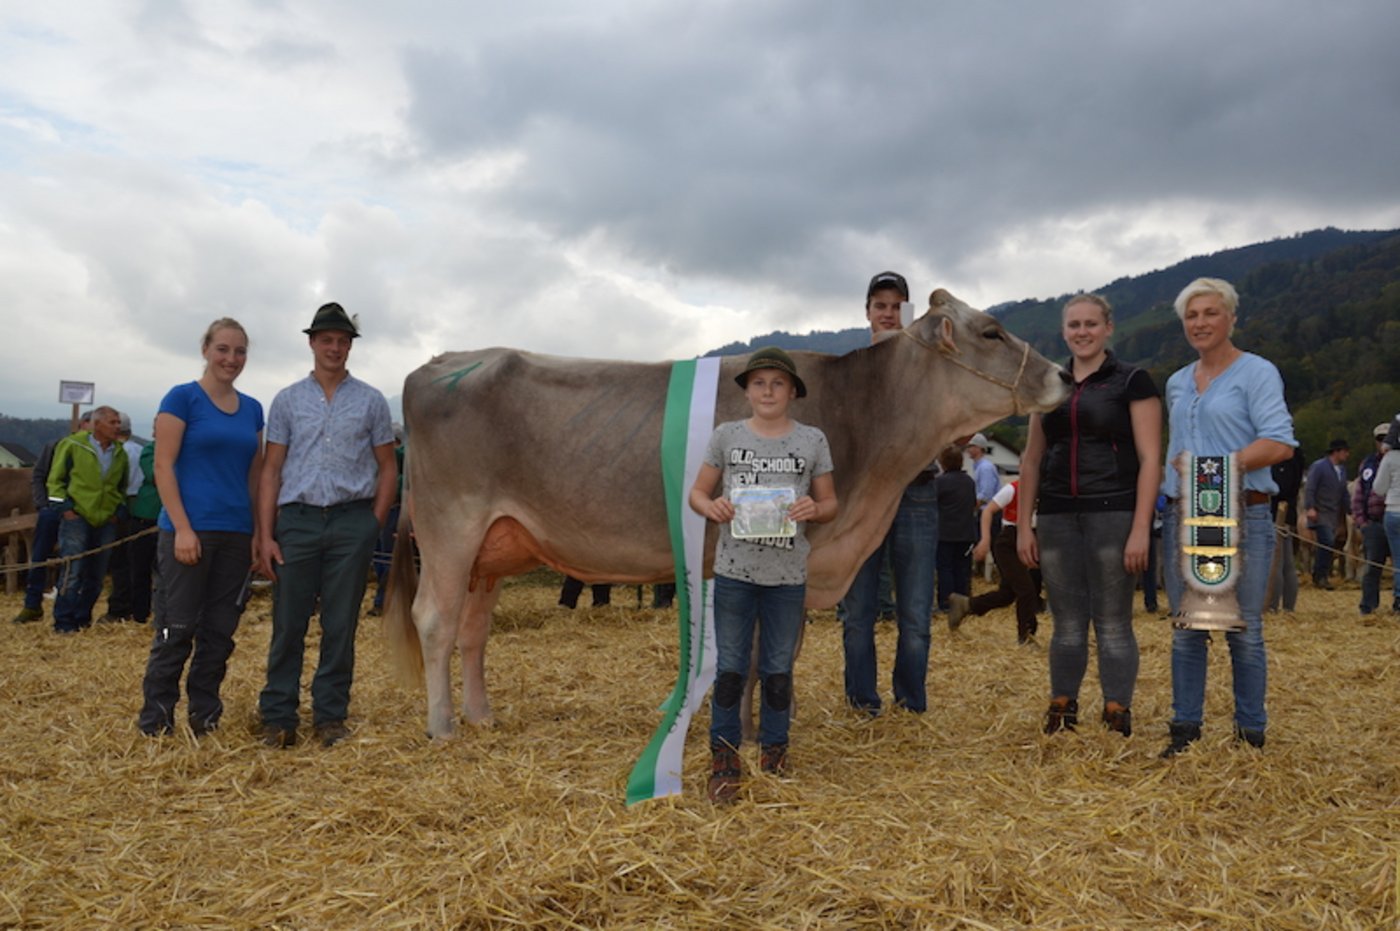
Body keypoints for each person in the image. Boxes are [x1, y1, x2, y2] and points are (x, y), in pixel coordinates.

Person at [689, 347, 836, 802]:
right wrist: (711, 506)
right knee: (731, 668)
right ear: (747, 391)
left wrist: (817, 507)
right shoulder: (727, 435)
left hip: (787, 577)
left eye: (777, 383)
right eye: (759, 383)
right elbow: (697, 492)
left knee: (777, 670)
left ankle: (775, 751)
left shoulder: (812, 440)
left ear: (793, 391)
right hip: (734, 572)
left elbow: (831, 503)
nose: (768, 391)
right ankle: (724, 755)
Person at [1159, 278, 1296, 757]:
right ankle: (1185, 730)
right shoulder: (1177, 381)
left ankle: (1250, 734)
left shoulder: (1257, 373)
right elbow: (1174, 452)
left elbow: (1279, 443)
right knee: (1187, 628)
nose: (1200, 323)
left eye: (1210, 313)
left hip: (1244, 513)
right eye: (1192, 315)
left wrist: (1215, 466)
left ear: (1232, 318)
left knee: (1245, 629)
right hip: (1184, 518)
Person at [1016, 293, 1162, 737]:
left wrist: (1141, 528)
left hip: (1113, 512)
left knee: (1114, 620)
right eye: (1074, 325)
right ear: (1064, 331)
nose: (1082, 332)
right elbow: (1031, 459)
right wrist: (1025, 524)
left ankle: (1117, 709)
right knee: (1066, 622)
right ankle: (1063, 704)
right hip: (1058, 515)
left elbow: (1151, 458)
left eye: (1090, 324)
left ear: (1108, 328)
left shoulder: (1133, 381)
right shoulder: (1049, 383)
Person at [255, 302, 397, 749]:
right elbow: (271, 470)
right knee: (288, 623)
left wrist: (370, 526)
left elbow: (388, 468)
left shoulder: (372, 401)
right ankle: (279, 717)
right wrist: (265, 534)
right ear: (312, 343)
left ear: (350, 347)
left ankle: (330, 717)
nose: (335, 348)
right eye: (327, 340)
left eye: (343, 341)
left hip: (351, 519)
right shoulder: (287, 400)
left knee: (340, 625)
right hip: (296, 520)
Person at [138, 319, 265, 736]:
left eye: (240, 351)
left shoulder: (252, 409)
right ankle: (156, 719)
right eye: (223, 349)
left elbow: (254, 475)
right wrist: (183, 528)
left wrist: (255, 532)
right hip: (188, 531)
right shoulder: (182, 399)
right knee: (177, 628)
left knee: (220, 632)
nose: (232, 359)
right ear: (206, 350)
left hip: (234, 533)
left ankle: (204, 716)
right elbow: (163, 465)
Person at [840, 271, 939, 715]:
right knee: (858, 611)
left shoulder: (931, 367)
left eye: (897, 305)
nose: (888, 312)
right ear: (867, 313)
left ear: (909, 313)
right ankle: (863, 701)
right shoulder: (851, 366)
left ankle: (911, 703)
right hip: (862, 497)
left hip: (917, 492)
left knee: (916, 612)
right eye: (880, 305)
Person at [47, 406, 129, 633]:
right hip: (77, 516)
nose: (117, 426)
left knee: (97, 573)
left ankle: (83, 618)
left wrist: (117, 511)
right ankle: (64, 622)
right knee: (72, 570)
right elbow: (55, 480)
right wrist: (65, 509)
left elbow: (121, 486)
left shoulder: (120, 453)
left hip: (106, 520)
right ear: (97, 423)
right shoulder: (73, 445)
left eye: (118, 422)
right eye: (112, 422)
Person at [11, 414, 88, 625]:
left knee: (73, 562)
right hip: (53, 511)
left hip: (80, 513)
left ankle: (67, 611)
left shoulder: (97, 453)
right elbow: (39, 475)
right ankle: (32, 604)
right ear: (82, 425)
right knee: (39, 556)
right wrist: (43, 505)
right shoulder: (56, 446)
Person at [948, 479, 1043, 643]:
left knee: (1007, 594)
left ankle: (966, 605)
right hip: (1008, 543)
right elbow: (988, 511)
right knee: (1025, 589)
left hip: (1031, 539)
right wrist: (985, 539)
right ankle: (1026, 636)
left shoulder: (1046, 490)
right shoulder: (1013, 489)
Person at [101, 413, 147, 622]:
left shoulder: (119, 453)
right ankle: (136, 608)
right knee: (136, 563)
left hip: (120, 507)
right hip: (139, 508)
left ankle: (119, 607)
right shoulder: (140, 450)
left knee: (120, 562)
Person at [1353, 423, 1393, 616]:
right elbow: (1359, 494)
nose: (1383, 443)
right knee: (1371, 568)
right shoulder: (1368, 464)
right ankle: (1368, 606)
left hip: (1395, 519)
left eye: (1387, 438)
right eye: (1380, 439)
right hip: (1375, 522)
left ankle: (1398, 605)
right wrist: (1362, 522)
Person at [933, 445, 977, 612]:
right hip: (966, 533)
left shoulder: (940, 482)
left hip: (945, 533)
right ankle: (963, 601)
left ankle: (946, 602)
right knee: (962, 569)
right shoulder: (969, 482)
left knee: (945, 569)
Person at [1303, 439, 1350, 590]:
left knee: (1328, 544)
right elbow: (1310, 487)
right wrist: (1310, 507)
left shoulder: (1342, 471)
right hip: (1320, 511)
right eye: (1345, 451)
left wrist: (1351, 510)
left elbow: (1344, 493)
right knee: (1327, 542)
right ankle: (1320, 576)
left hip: (1333, 514)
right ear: (1336, 452)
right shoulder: (1319, 467)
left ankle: (1321, 574)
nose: (1347, 455)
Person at [1267, 447, 1305, 613]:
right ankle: (1286, 607)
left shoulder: (1286, 454)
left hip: (1278, 514)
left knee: (1278, 563)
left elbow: (1281, 487)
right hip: (1284, 512)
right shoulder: (1292, 452)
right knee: (1284, 562)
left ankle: (1274, 606)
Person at [1370, 434, 1400, 615]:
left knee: (1398, 558)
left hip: (1394, 509)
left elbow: (1379, 488)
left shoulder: (1390, 458)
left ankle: (1399, 598)